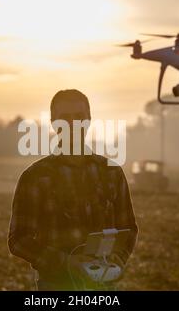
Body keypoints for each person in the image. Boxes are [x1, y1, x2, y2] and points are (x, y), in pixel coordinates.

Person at [8, 89, 138, 290]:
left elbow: (128, 228)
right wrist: (66, 262)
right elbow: (18, 240)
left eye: (79, 117)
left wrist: (118, 258)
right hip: (55, 285)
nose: (73, 124)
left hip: (103, 287)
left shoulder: (111, 172)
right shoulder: (35, 177)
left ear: (89, 120)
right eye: (65, 118)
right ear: (53, 123)